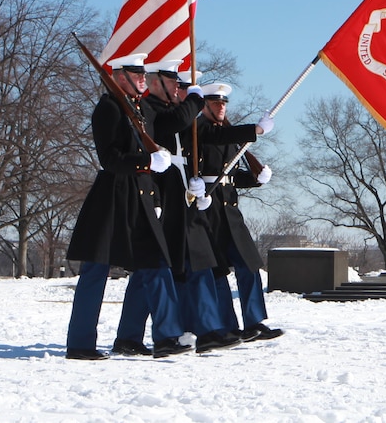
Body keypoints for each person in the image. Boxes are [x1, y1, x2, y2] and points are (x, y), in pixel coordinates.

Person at [65, 53, 203, 360]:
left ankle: (166, 336)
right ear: (120, 76)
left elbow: (173, 120)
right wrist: (146, 161)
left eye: (143, 76)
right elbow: (110, 159)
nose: (143, 79)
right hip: (113, 196)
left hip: (141, 197)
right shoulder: (109, 108)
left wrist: (195, 99)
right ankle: (80, 343)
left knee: (156, 263)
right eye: (138, 75)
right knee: (95, 271)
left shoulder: (140, 109)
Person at [112, 60, 240, 356]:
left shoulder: (179, 112)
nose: (181, 91)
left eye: (183, 87)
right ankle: (131, 335)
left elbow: (203, 141)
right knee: (152, 270)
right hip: (164, 197)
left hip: (184, 196)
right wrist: (195, 101)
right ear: (159, 82)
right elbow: (173, 126)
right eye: (179, 85)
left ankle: (207, 330)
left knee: (199, 263)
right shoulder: (152, 109)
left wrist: (197, 181)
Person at [193, 82, 283, 342]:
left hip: (229, 210)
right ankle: (226, 325)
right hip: (207, 209)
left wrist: (256, 179)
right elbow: (216, 141)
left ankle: (254, 320)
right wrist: (255, 130)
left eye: (223, 103)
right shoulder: (200, 129)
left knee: (249, 264)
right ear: (205, 106)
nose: (221, 107)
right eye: (215, 103)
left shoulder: (228, 132)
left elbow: (230, 177)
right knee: (218, 270)